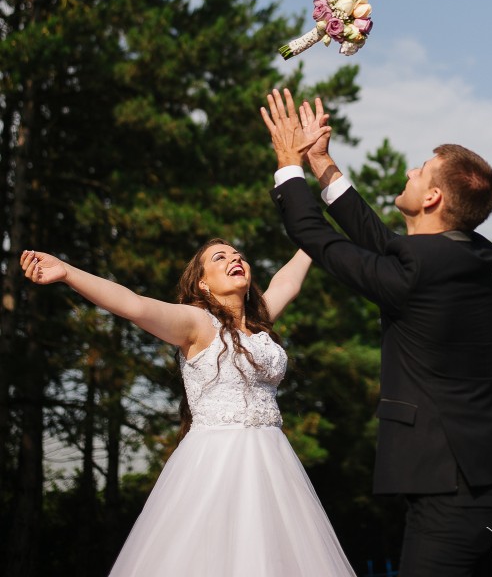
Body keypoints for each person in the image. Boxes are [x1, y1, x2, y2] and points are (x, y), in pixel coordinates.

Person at [261, 88, 492, 577]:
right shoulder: (467, 254)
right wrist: (321, 163)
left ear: (433, 196)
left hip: (450, 493)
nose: (409, 172)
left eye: (419, 171)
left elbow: (314, 235)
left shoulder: (421, 270)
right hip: (488, 486)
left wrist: (286, 162)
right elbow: (385, 243)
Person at [20, 238, 357, 577]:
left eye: (238, 256)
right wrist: (67, 272)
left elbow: (288, 282)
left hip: (274, 464)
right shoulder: (197, 323)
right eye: (220, 257)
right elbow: (133, 304)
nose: (234, 259)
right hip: (215, 464)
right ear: (202, 282)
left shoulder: (259, 325)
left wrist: (314, 232)